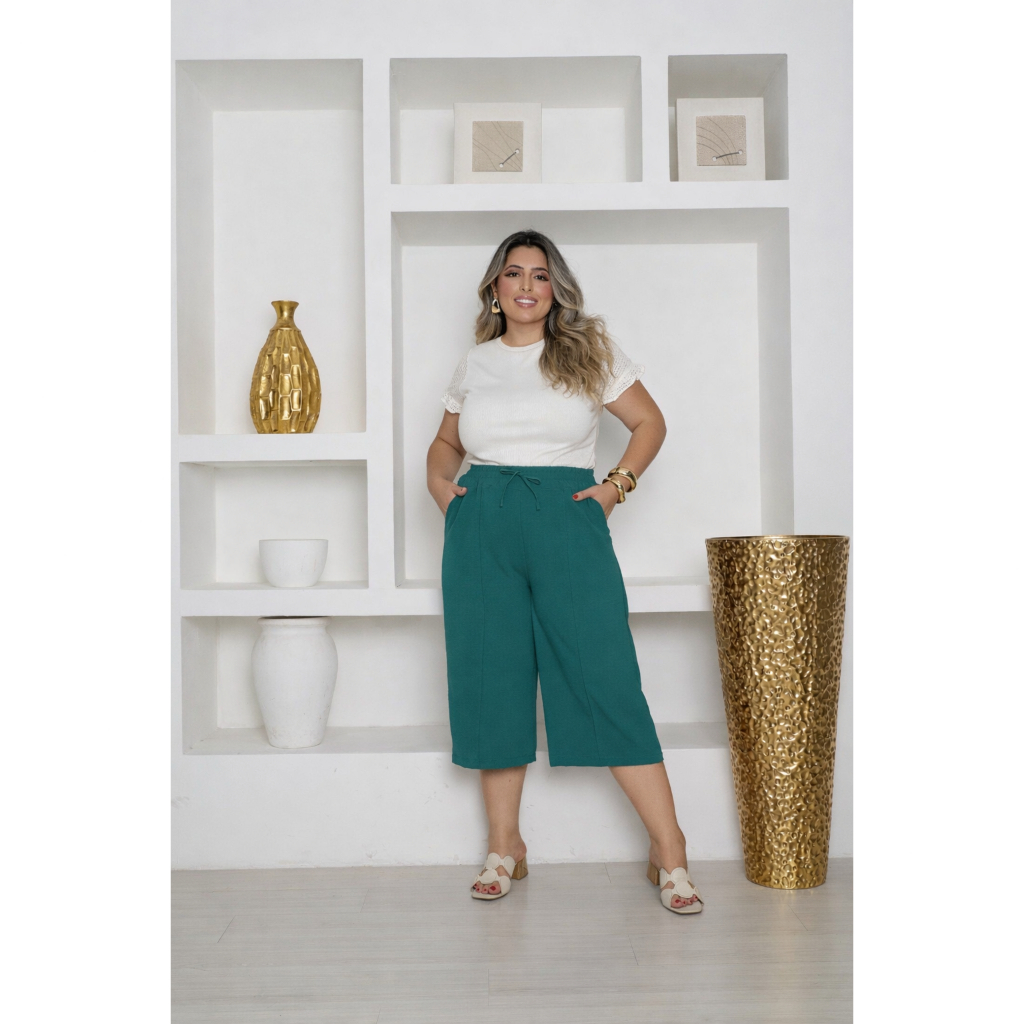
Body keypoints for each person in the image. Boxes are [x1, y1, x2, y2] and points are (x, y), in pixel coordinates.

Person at [425, 230, 703, 915]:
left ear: (556, 289)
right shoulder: (476, 362)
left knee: (605, 675)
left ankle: (669, 848)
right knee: (490, 679)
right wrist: (442, 489)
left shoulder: (588, 351)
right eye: (514, 273)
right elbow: (446, 442)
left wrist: (613, 490)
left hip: (566, 520)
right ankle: (504, 845)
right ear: (495, 288)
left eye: (541, 275)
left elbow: (649, 423)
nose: (527, 285)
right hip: (481, 525)